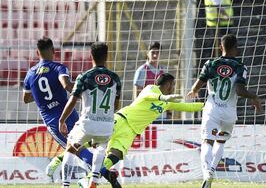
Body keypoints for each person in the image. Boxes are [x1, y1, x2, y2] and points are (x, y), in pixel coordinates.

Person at [99, 73, 204, 185]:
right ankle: (94, 173)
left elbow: (188, 107)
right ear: (168, 84)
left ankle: (91, 178)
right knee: (92, 143)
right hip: (122, 119)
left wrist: (206, 105)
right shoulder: (151, 88)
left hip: (131, 131)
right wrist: (163, 97)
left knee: (116, 155)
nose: (173, 87)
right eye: (172, 84)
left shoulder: (166, 103)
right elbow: (148, 95)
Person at [187, 34, 262, 188]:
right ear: (236, 48)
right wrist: (253, 96)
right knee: (220, 141)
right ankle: (211, 173)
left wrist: (193, 92)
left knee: (207, 141)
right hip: (229, 113)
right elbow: (240, 91)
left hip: (212, 110)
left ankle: (207, 172)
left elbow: (196, 87)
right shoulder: (241, 67)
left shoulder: (211, 64)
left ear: (220, 47)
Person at [22, 37, 93, 177]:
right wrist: (84, 90)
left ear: (38, 52)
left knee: (75, 148)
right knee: (80, 145)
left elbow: (26, 99)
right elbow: (66, 85)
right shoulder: (59, 67)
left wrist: (40, 95)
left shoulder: (30, 73)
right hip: (69, 113)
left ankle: (102, 172)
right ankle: (99, 172)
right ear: (53, 51)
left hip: (53, 120)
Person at [58, 42, 121, 188]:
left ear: (90, 56)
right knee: (101, 146)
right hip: (107, 124)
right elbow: (116, 104)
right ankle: (94, 180)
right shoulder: (115, 78)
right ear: (107, 56)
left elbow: (73, 100)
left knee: (71, 147)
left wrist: (62, 120)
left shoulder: (85, 76)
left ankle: (65, 185)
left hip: (88, 123)